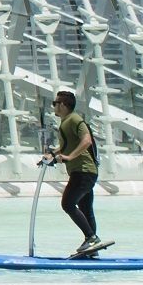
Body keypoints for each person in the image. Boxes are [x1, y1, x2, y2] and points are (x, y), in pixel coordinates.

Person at [41, 92, 107, 258]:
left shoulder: (74, 119)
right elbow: (68, 146)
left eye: (55, 103)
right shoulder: (66, 122)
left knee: (68, 203)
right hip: (85, 171)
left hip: (83, 171)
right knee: (85, 209)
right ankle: (93, 250)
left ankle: (92, 239)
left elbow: (86, 140)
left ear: (63, 104)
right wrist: (53, 155)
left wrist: (70, 157)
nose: (54, 106)